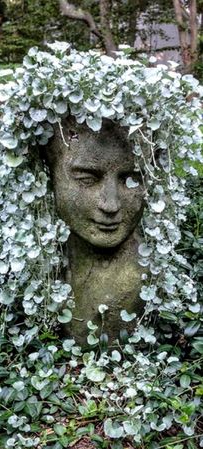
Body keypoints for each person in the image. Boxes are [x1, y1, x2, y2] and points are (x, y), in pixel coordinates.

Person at [46, 118, 144, 345]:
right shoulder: (44, 268)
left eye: (130, 180)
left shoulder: (147, 279)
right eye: (87, 179)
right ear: (51, 176)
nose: (111, 205)